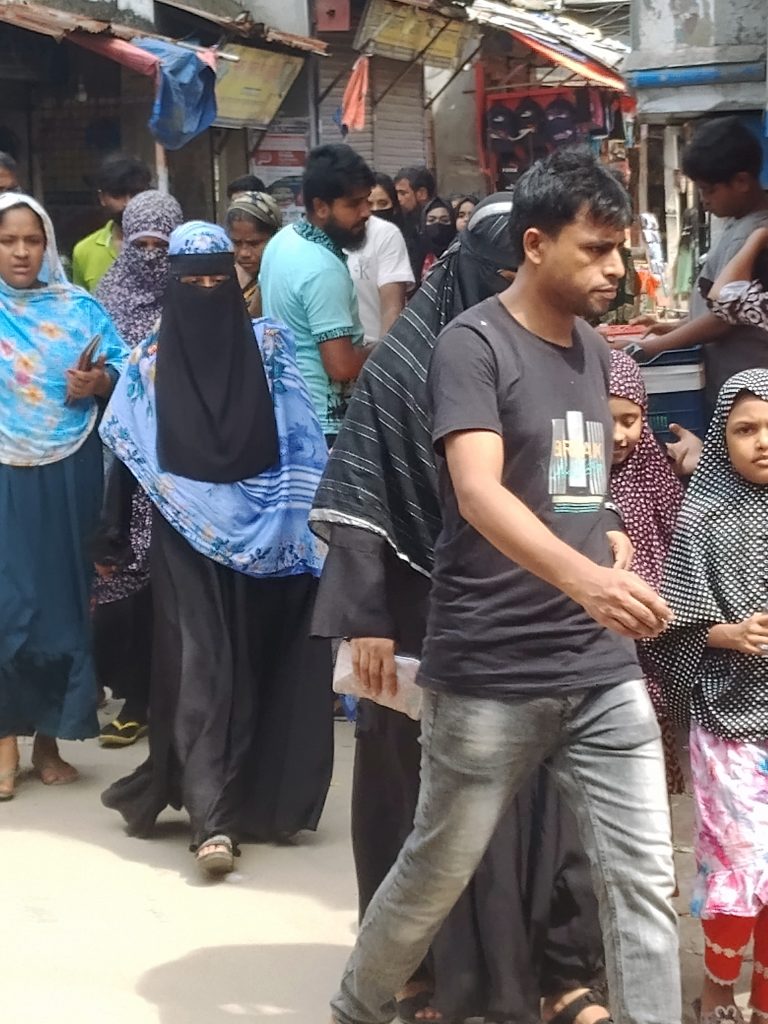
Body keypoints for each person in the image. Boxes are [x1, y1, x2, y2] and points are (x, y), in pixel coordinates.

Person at [327, 148, 681, 1024]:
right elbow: (479, 492)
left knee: (643, 879)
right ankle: (356, 1007)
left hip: (598, 668)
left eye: (620, 249)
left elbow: (571, 483)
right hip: (490, 671)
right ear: (534, 244)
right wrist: (586, 579)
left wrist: (609, 530)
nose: (616, 269)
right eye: (596, 249)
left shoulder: (594, 351)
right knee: (434, 870)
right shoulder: (471, 344)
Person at [98, 222, 333, 876]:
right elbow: (127, 453)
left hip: (270, 535)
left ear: (235, 281)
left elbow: (302, 439)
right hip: (183, 534)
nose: (204, 291)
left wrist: (316, 525)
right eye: (190, 281)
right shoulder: (148, 363)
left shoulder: (271, 349)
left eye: (215, 279)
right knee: (202, 667)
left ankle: (246, 798)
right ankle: (213, 821)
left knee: (253, 664)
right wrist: (112, 535)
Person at [649, 369, 768, 1024]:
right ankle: (719, 988)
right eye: (745, 429)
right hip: (730, 726)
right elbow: (665, 629)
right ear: (721, 438)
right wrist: (725, 633)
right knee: (737, 860)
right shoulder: (702, 519)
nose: (762, 441)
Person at [0, 193, 128, 800]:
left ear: (48, 245)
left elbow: (126, 373)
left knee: (60, 602)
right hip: (3, 470)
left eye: (33, 240)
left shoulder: (80, 309)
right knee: (8, 603)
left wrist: (97, 381)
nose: (21, 252)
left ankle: (49, 740)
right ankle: (4, 740)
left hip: (68, 467)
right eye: (8, 241)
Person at [92, 190, 183, 748]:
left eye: (162, 246)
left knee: (175, 586)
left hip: (182, 462)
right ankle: (134, 699)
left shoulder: (195, 291)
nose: (151, 256)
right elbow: (98, 373)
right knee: (127, 581)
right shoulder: (104, 299)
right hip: (124, 464)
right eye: (141, 243)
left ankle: (171, 701)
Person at [634, 118, 768, 411]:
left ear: (742, 182)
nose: (704, 201)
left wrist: (649, 348)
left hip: (748, 392)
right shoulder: (740, 224)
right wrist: (673, 327)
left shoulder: (753, 233)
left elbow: (724, 315)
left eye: (708, 190)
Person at [608, 350, 686, 794]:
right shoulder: (575, 484)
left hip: (653, 636)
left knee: (650, 730)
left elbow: (680, 538)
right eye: (606, 420)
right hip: (600, 635)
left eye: (630, 420)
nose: (619, 435)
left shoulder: (654, 470)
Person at [260, 144, 374, 445]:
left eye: (367, 200)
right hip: (323, 424)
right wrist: (380, 350)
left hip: (285, 410)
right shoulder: (323, 269)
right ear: (321, 207)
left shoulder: (283, 240)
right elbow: (340, 366)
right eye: (354, 204)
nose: (366, 212)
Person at [72, 154, 152, 293]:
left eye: (135, 194)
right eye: (117, 195)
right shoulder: (84, 251)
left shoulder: (168, 245)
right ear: (102, 198)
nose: (128, 203)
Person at [345, 182, 413, 346]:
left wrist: (382, 355)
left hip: (371, 348)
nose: (372, 210)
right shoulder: (308, 239)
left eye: (382, 203)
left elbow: (392, 309)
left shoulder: (386, 233)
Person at [225, 191, 282, 317]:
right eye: (237, 243)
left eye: (254, 243)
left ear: (274, 238)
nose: (244, 253)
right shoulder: (224, 278)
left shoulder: (282, 280)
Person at [395, 166, 436, 280]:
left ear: (422, 193)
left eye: (403, 193)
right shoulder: (401, 222)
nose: (398, 199)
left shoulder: (437, 226)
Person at [420, 197, 456, 281]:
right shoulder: (415, 254)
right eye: (431, 220)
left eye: (444, 220)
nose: (438, 225)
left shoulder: (459, 254)